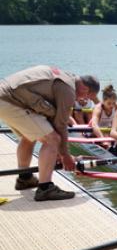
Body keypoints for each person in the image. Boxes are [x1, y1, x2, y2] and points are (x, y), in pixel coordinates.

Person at [0, 65, 100, 201]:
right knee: (53, 139)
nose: (84, 100)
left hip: (5, 95)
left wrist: (60, 152)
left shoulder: (66, 77)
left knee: (29, 136)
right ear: (86, 89)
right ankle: (45, 188)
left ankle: (25, 178)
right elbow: (61, 125)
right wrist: (65, 155)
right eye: (88, 97)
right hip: (9, 99)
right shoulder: (68, 90)